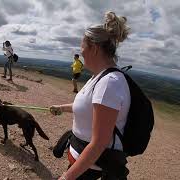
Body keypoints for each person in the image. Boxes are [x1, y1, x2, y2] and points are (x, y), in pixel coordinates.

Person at [50, 11, 130, 180]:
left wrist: (67, 177)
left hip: (91, 169)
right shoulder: (98, 77)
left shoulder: (109, 83)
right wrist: (61, 108)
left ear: (93, 48)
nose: (81, 52)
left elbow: (99, 143)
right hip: (84, 165)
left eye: (82, 47)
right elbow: (88, 108)